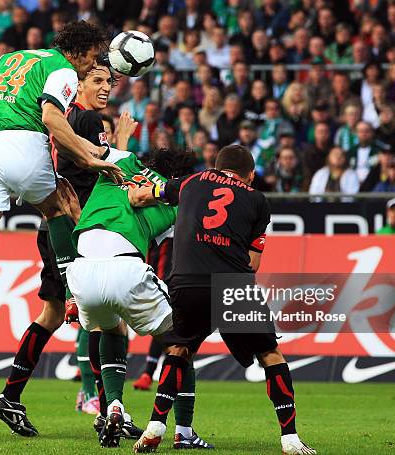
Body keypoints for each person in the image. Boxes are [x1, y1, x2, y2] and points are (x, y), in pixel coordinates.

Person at [0, 21, 123, 385]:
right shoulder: (61, 68)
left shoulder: (7, 59)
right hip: (24, 144)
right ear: (78, 51)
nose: (92, 65)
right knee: (58, 207)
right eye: (93, 57)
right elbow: (50, 115)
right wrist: (90, 160)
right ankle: (72, 296)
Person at [128, 145, 315, 455]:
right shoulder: (257, 199)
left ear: (215, 167)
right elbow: (253, 264)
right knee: (270, 354)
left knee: (178, 349)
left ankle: (156, 425)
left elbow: (145, 195)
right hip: (232, 284)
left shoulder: (190, 182)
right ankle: (290, 439)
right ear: (250, 176)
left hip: (186, 281)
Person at [0, 64, 141, 438]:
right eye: (98, 80)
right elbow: (114, 176)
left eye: (110, 81)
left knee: (54, 313)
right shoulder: (89, 122)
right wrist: (121, 143)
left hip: (57, 227)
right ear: (79, 84)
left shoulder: (69, 117)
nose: (106, 87)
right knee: (106, 320)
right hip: (80, 231)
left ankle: (10, 396)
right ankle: (109, 410)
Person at [66, 147, 212, 449]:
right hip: (125, 266)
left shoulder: (119, 162)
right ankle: (184, 431)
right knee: (180, 345)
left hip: (80, 270)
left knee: (110, 330)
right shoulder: (175, 203)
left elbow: (96, 148)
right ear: (176, 177)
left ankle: (114, 406)